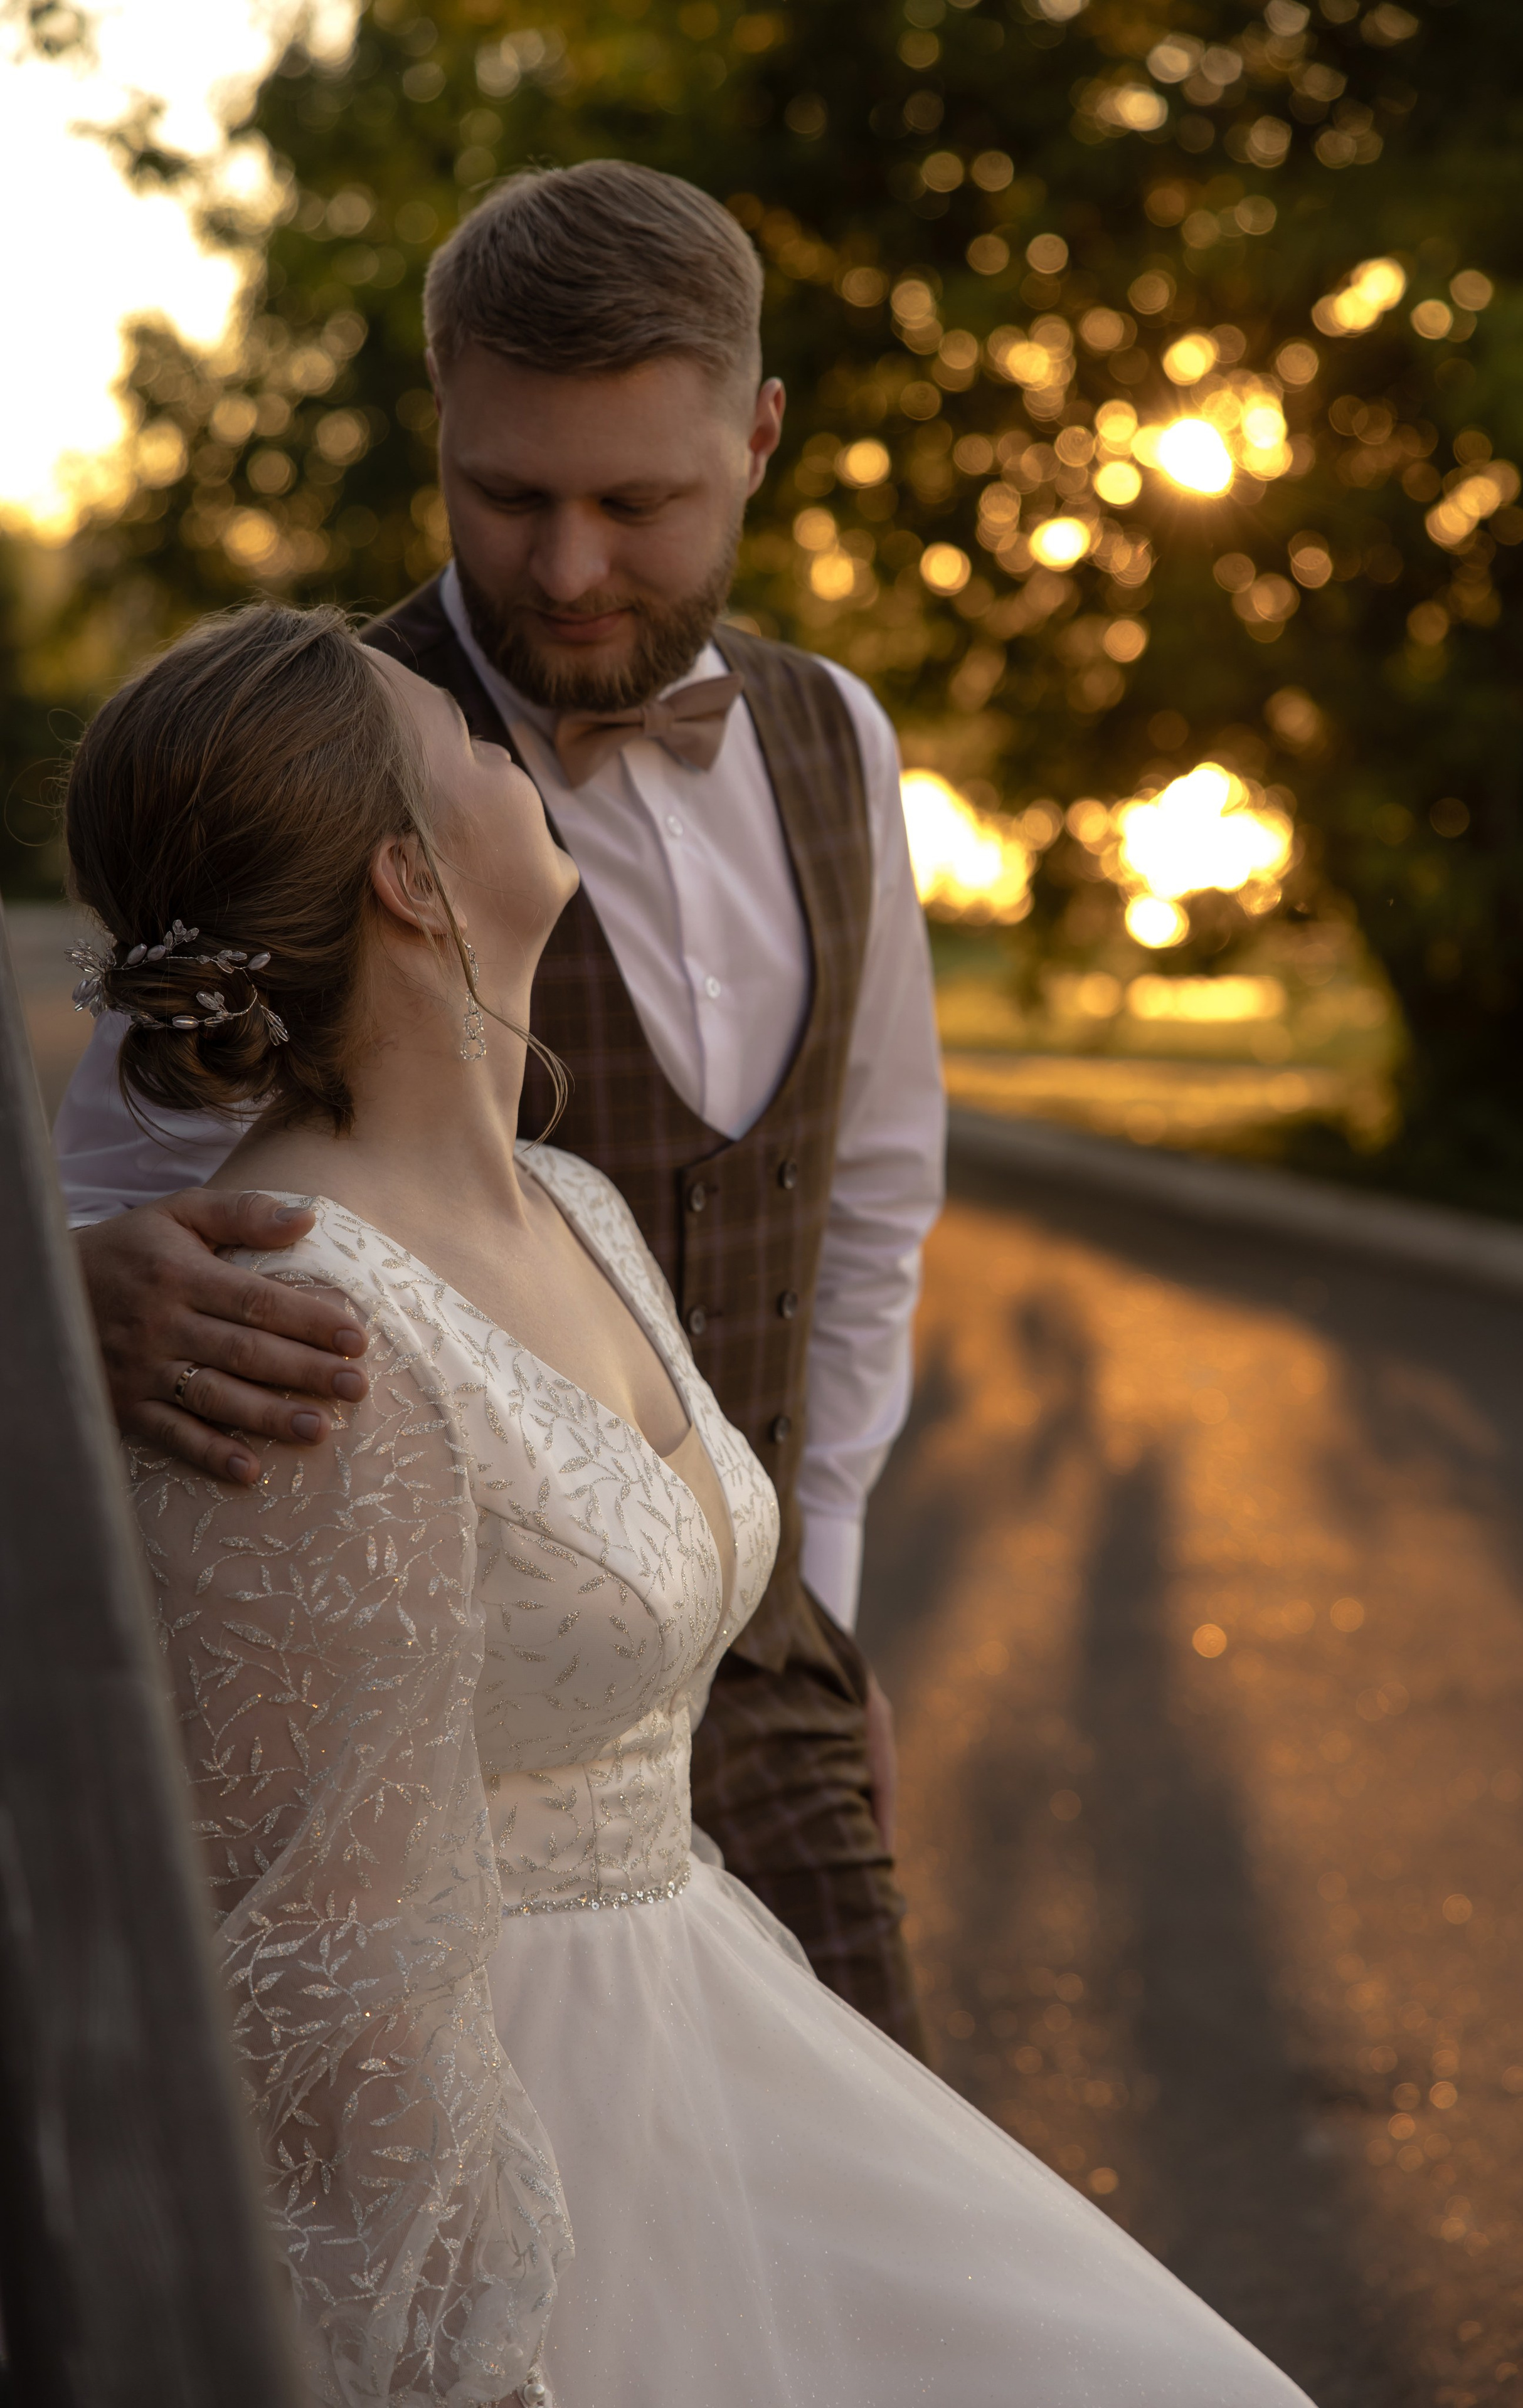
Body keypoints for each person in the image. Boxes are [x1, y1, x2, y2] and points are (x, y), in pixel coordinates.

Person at [66, 599, 1313, 2408]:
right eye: (469, 742)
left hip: (713, 2008)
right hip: (532, 2151)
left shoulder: (576, 1205)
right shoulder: (295, 1321)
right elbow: (310, 1985)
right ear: (414, 883)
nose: (514, 750)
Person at [55, 161, 943, 2052]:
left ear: (762, 437)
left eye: (638, 503)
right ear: (442, 425)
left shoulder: (836, 736)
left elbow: (866, 1208)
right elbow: (112, 1198)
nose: (564, 568)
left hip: (765, 1678)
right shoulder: (304, 762)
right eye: (508, 493)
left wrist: (821, 1608)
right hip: (423, 1742)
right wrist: (71, 1291)